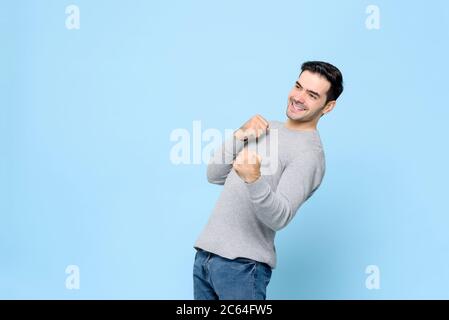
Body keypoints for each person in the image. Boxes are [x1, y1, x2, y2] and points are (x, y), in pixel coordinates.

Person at [193, 61, 344, 300]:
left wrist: (254, 179)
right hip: (206, 258)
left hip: (243, 268)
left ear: (328, 107)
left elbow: (280, 216)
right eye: (298, 86)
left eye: (312, 95)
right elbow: (214, 174)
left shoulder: (310, 155)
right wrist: (239, 135)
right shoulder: (266, 128)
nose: (298, 97)